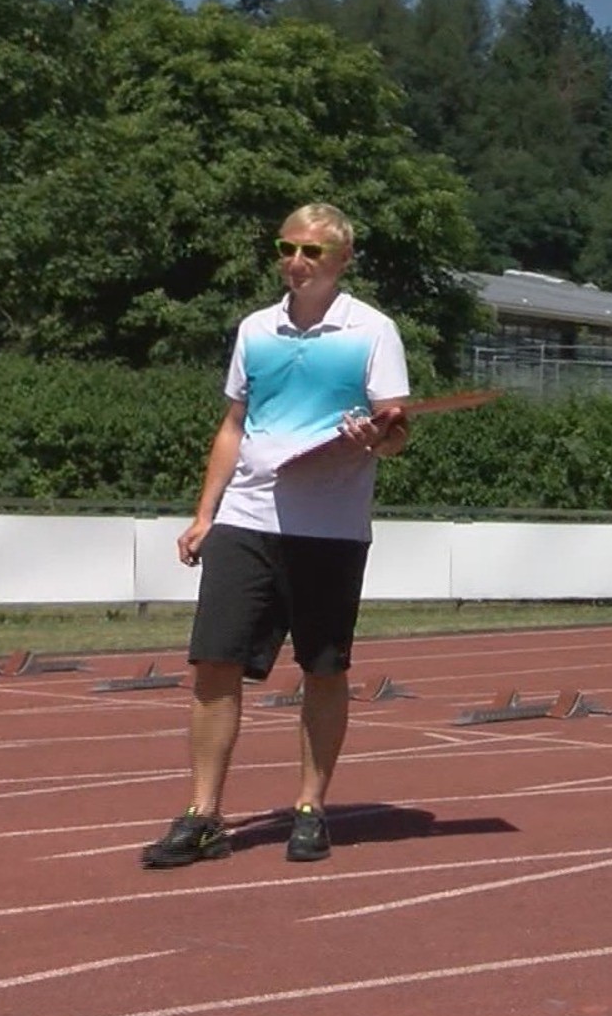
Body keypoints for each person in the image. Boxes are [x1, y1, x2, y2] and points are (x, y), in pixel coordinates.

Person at [140, 202, 411, 870]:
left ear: (341, 261)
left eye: (311, 252)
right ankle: (203, 814)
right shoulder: (256, 329)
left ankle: (311, 808)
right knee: (213, 663)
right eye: (286, 249)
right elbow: (234, 424)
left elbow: (398, 429)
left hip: (330, 528)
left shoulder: (373, 331)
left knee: (323, 668)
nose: (295, 262)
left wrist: (376, 437)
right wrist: (205, 513)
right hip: (248, 519)